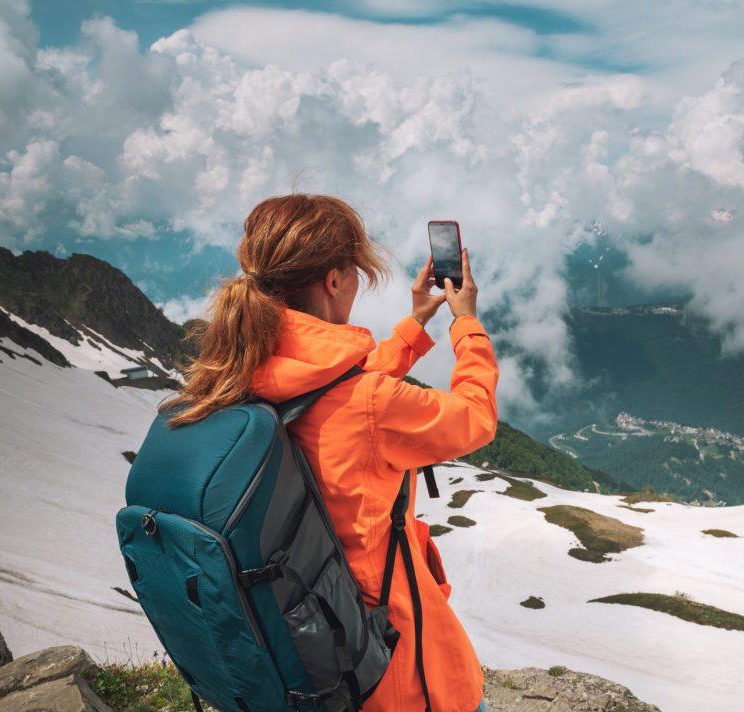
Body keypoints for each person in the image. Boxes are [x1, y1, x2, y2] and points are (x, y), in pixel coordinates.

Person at [165, 194, 498, 712]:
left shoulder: (238, 369)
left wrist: (413, 328)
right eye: (356, 272)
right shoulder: (368, 403)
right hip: (385, 652)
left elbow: (334, 389)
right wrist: (465, 324)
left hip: (303, 637)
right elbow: (475, 416)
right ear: (334, 280)